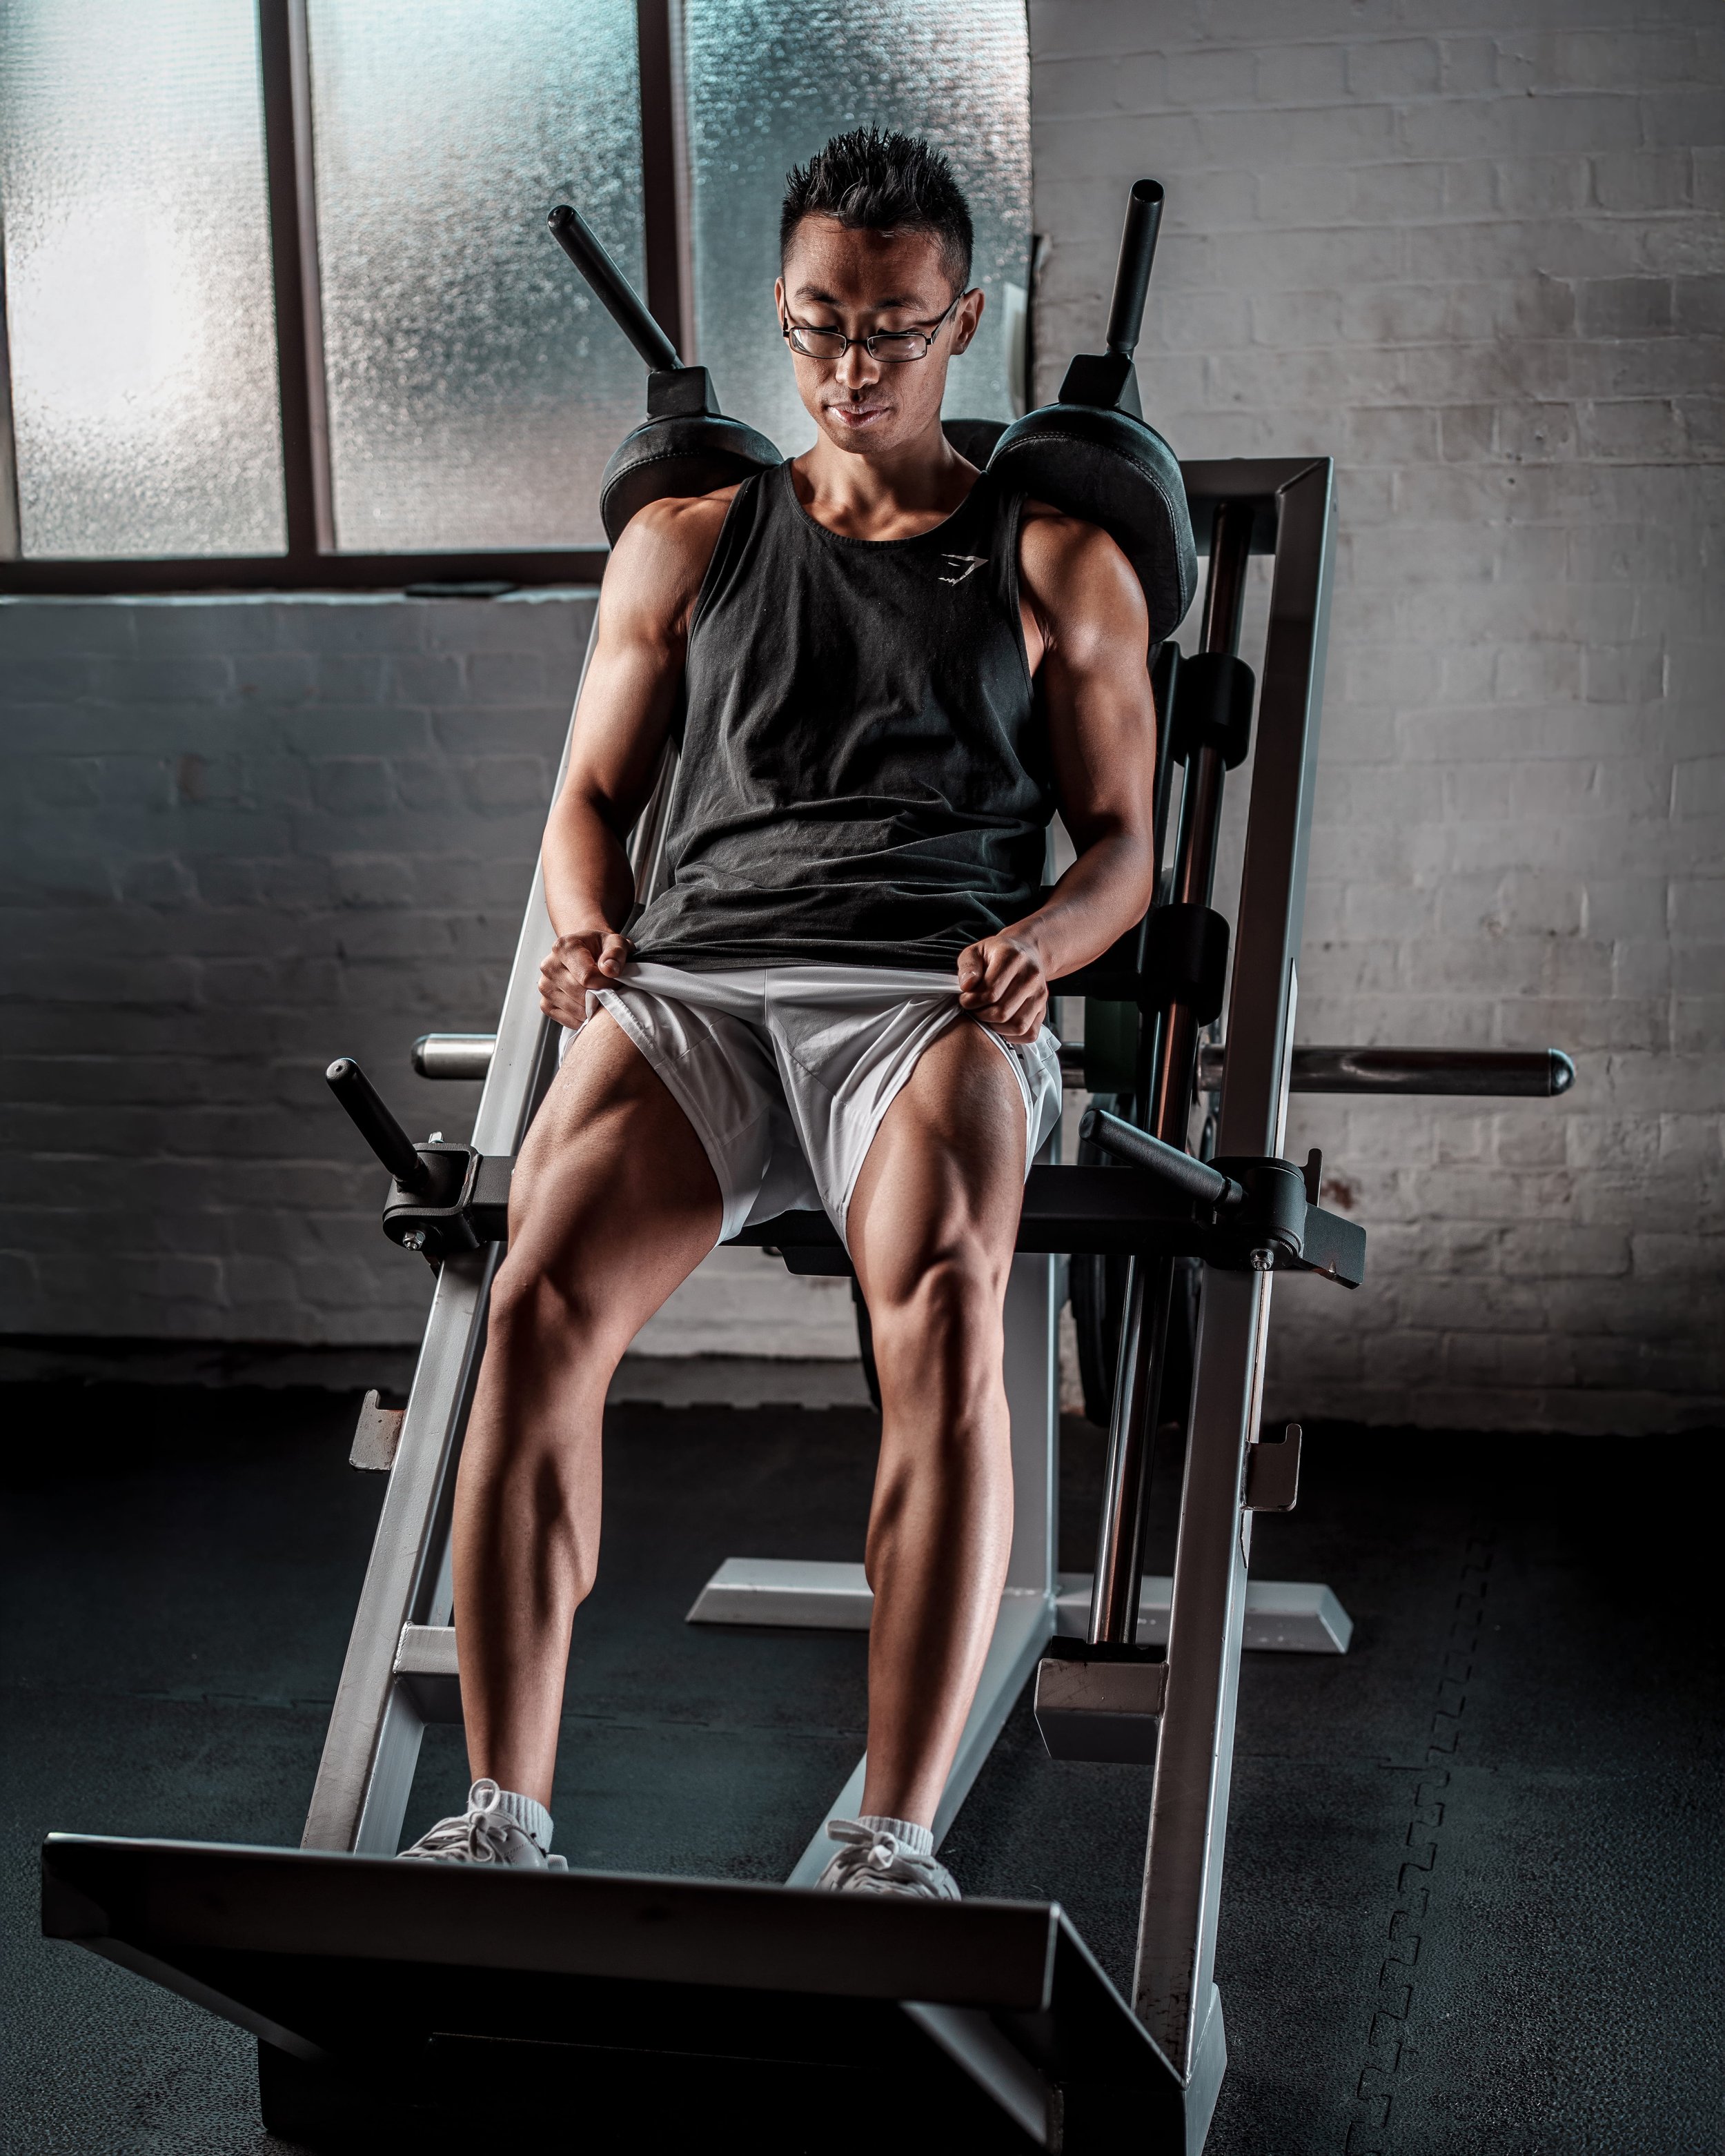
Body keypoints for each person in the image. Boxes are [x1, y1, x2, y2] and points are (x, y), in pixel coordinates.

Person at [402, 128, 1156, 1895]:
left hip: (927, 1002)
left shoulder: (1053, 561)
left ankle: (889, 1836)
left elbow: (1124, 849)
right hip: (696, 994)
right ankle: (501, 1817)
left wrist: (1042, 942)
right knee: (532, 1307)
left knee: (948, 1309)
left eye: (893, 329)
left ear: (964, 319)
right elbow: (588, 804)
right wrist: (586, 935)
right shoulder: (684, 542)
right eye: (820, 327)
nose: (851, 368)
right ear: (779, 316)